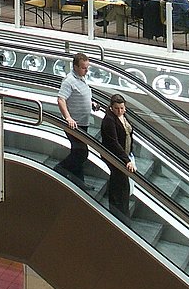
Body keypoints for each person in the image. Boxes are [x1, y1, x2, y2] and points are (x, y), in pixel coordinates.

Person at [52, 52, 96, 185]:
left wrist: (91, 103)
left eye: (87, 67)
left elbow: (81, 95)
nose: (86, 70)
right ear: (75, 67)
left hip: (83, 122)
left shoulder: (81, 79)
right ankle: (59, 170)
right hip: (75, 124)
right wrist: (68, 118)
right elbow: (61, 99)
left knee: (78, 152)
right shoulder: (69, 81)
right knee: (81, 153)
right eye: (83, 68)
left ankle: (79, 183)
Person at [99, 93, 136, 220]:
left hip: (124, 154)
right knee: (120, 183)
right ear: (111, 107)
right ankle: (119, 214)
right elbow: (113, 142)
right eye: (117, 108)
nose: (120, 111)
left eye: (122, 108)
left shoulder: (122, 116)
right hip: (115, 156)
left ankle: (120, 213)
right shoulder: (109, 120)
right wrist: (127, 160)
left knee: (120, 183)